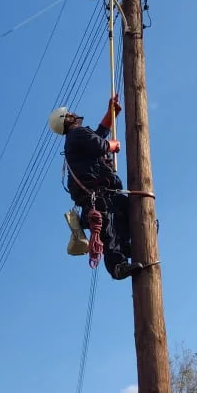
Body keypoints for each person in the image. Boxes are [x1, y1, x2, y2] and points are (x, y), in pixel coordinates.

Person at [48, 94, 145, 280]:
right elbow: (100, 144)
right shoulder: (76, 134)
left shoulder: (77, 138)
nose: (73, 114)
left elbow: (99, 134)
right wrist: (112, 145)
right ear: (66, 120)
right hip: (97, 197)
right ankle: (117, 266)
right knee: (108, 229)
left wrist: (111, 113)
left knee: (129, 212)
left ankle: (129, 246)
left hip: (103, 194)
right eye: (69, 114)